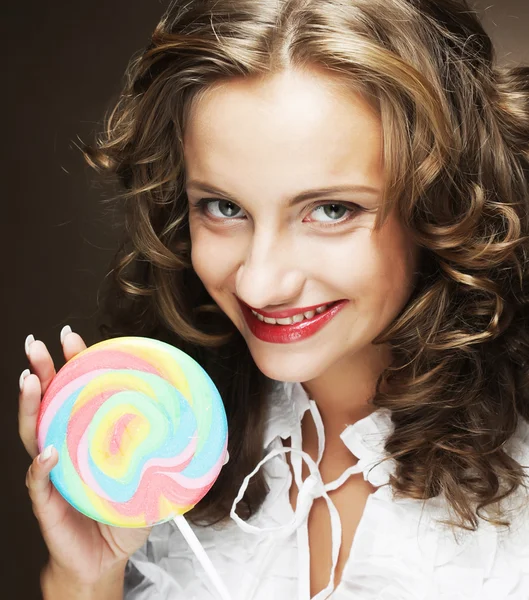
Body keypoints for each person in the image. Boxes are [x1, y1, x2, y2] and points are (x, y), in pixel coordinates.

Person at [18, 0, 529, 598]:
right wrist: (88, 574)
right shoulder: (165, 441)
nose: (259, 284)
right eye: (223, 206)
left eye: (331, 210)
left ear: (443, 204)